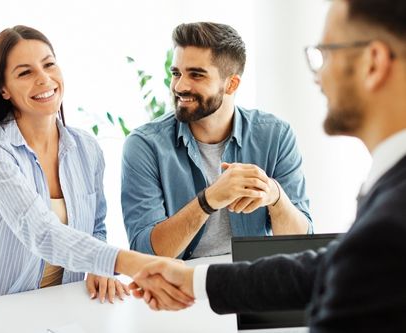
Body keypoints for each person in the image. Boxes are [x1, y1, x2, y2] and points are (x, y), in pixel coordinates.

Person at [131, 0, 406, 330]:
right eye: (176, 73)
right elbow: (325, 267)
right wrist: (195, 279)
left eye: (327, 52)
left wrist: (275, 196)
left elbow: (319, 253)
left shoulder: (391, 219)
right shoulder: (389, 192)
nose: (317, 76)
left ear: (373, 63)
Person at [0, 25, 193, 309]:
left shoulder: (86, 148)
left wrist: (99, 266)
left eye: (49, 65)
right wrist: (134, 263)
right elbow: (41, 231)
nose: (44, 79)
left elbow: (96, 226)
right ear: (3, 89)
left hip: (64, 306)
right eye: (25, 72)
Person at [121, 22, 312, 260]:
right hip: (180, 286)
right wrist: (208, 200)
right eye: (176, 73)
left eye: (196, 75)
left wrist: (275, 196)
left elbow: (301, 245)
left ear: (231, 84)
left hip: (253, 281)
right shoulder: (145, 145)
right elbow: (143, 254)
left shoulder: (275, 135)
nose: (179, 86)